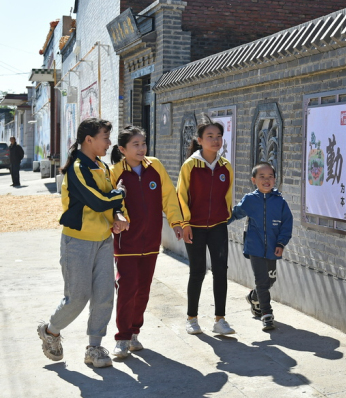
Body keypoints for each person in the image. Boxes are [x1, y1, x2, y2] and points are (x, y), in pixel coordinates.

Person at [37, 118, 129, 368]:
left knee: (104, 295)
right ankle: (51, 330)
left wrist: (119, 216)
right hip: (77, 241)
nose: (109, 142)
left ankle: (95, 347)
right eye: (105, 137)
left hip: (103, 240)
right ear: (89, 140)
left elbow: (112, 203)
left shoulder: (102, 165)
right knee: (77, 297)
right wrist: (120, 193)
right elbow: (99, 200)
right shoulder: (78, 167)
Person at [109, 125, 184, 358]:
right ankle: (121, 337)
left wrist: (176, 221)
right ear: (122, 149)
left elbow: (169, 195)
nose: (142, 149)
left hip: (151, 240)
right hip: (126, 242)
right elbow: (112, 203)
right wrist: (119, 221)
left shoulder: (155, 167)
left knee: (143, 289)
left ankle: (134, 332)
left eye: (143, 143)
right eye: (136, 145)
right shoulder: (114, 173)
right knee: (127, 288)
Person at [177, 121, 235, 336]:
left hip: (218, 226)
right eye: (210, 136)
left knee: (221, 271)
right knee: (198, 271)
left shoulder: (225, 166)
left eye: (219, 136)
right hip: (195, 227)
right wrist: (185, 224)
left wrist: (225, 215)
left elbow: (227, 195)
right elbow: (181, 196)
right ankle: (192, 318)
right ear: (199, 140)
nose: (215, 140)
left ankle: (220, 319)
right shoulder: (190, 166)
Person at [228, 162, 292, 332]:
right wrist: (218, 224)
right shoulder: (250, 200)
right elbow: (235, 213)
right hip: (255, 247)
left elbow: (287, 224)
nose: (266, 180)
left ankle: (254, 297)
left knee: (270, 279)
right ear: (254, 180)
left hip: (272, 247)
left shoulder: (280, 202)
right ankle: (267, 314)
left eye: (270, 176)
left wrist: (281, 243)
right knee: (262, 281)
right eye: (262, 177)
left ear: (275, 179)